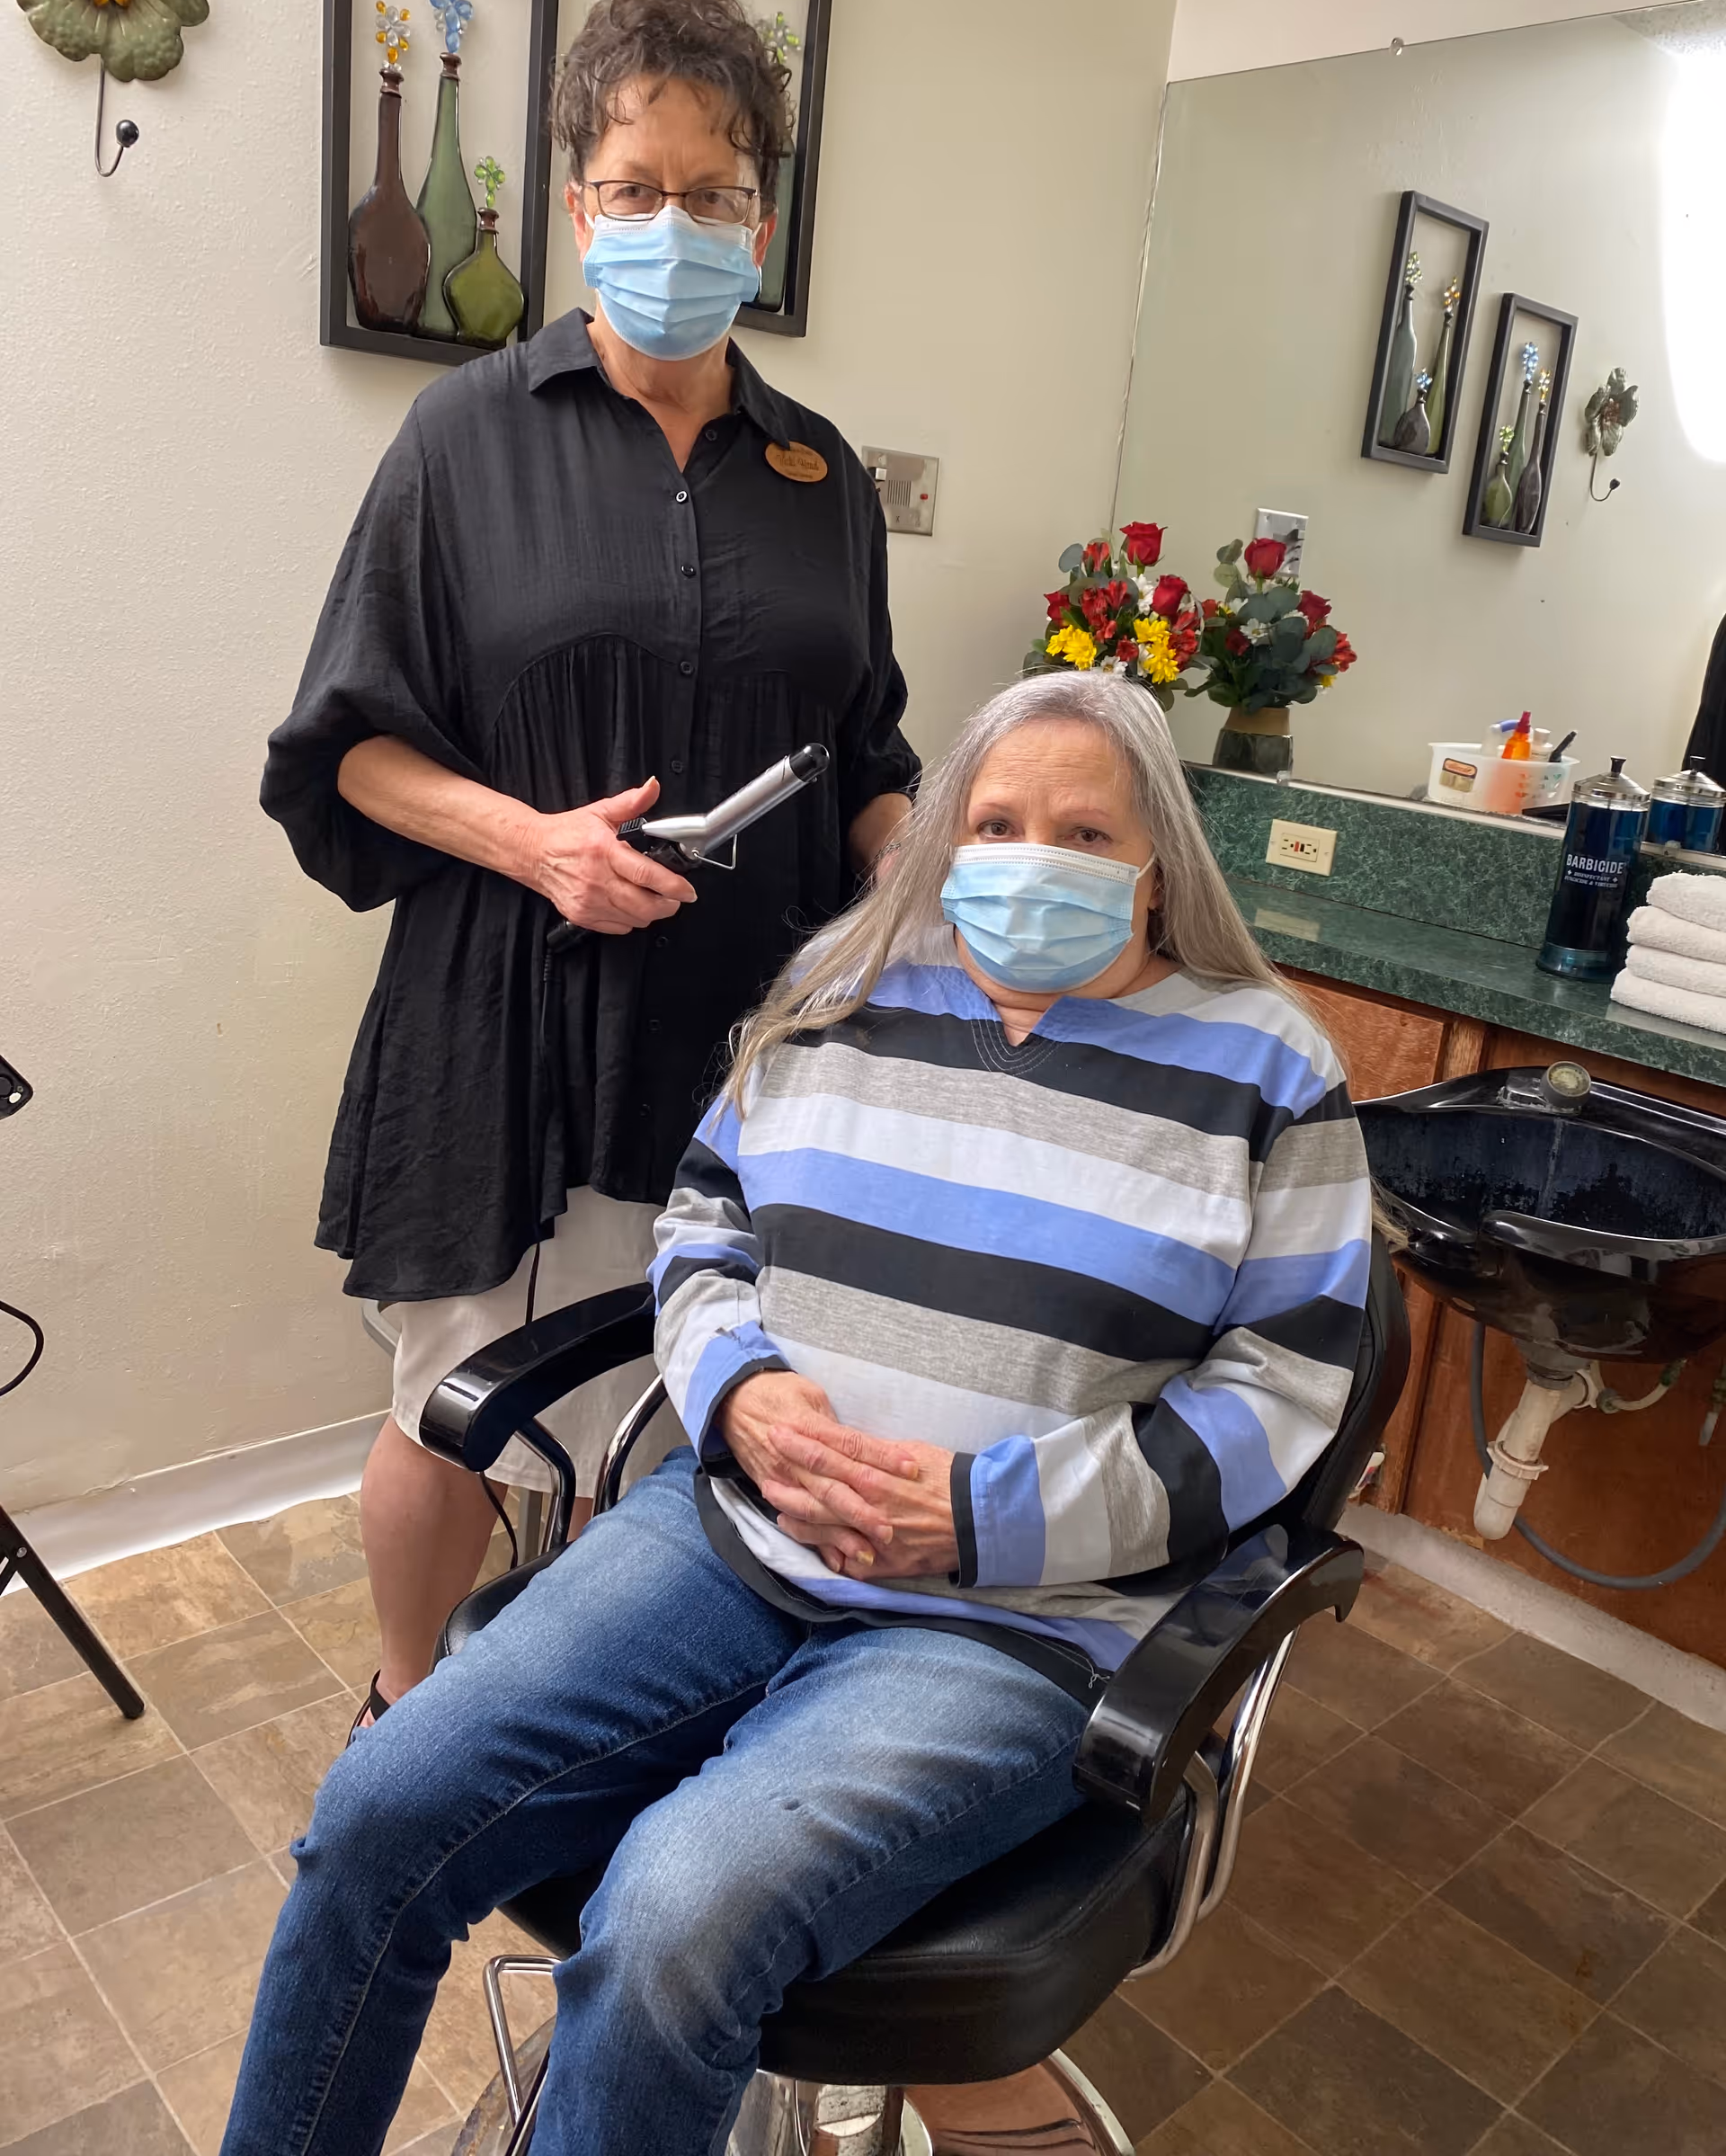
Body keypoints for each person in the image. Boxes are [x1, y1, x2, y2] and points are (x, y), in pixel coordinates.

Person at [222, 672, 1374, 2156]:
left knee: (674, 1919)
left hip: (1019, 1626)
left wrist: (974, 1514)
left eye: (1088, 832)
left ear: (1162, 867)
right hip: (731, 1541)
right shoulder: (846, 987)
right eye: (1001, 822)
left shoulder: (1266, 1069)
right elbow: (705, 1227)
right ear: (948, 838)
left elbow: (1283, 1393)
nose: (1037, 859)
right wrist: (742, 1396)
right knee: (379, 1812)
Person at [261, 0, 917, 1726]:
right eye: (635, 192)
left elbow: (869, 752)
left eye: (713, 195)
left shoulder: (824, 475)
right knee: (455, 1404)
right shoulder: (465, 436)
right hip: (511, 1012)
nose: (673, 225)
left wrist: (931, 889)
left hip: (750, 1037)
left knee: (682, 1399)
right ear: (573, 210)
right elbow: (352, 744)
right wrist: (535, 843)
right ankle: (406, 1716)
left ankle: (604, 1709)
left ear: (762, 219)